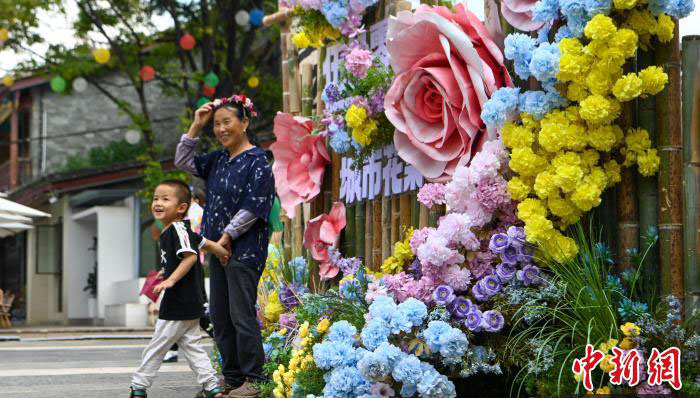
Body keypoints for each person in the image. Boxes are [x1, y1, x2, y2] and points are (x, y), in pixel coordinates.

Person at [175, 94, 274, 398]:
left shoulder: (258, 160)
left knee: (241, 314)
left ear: (244, 123)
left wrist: (227, 237)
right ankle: (231, 377)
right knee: (219, 315)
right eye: (216, 124)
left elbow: (254, 205)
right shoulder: (217, 159)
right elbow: (182, 161)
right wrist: (195, 125)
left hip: (243, 250)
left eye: (226, 122)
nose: (220, 129)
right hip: (217, 251)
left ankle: (255, 379)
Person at [129, 180, 229, 398]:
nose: (158, 203)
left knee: (158, 344)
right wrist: (223, 252)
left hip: (179, 300)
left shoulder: (178, 228)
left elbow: (191, 257)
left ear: (181, 208)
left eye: (165, 199)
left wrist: (171, 280)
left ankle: (139, 386)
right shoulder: (172, 232)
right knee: (192, 346)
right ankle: (211, 386)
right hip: (188, 301)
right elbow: (204, 243)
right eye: (156, 198)